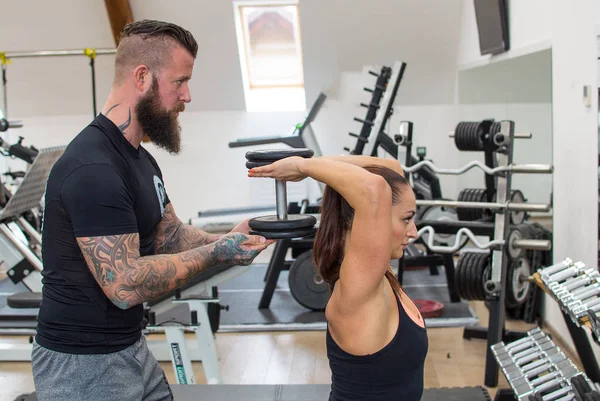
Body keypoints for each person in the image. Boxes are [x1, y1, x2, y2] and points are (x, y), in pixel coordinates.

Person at [32, 20, 272, 401]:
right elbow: (125, 285)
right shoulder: (93, 169)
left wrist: (228, 239)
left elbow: (170, 235)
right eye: (180, 81)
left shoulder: (140, 159)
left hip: (128, 347)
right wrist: (217, 253)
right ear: (142, 77)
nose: (188, 95)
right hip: (83, 364)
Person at [249, 155, 426, 401]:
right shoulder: (359, 288)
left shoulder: (372, 275)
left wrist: (300, 167)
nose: (414, 231)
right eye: (406, 218)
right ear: (367, 217)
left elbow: (391, 169)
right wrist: (303, 165)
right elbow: (375, 188)